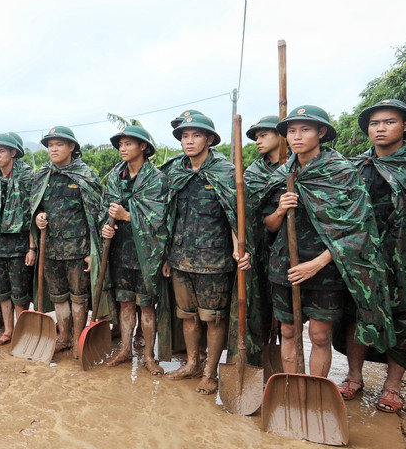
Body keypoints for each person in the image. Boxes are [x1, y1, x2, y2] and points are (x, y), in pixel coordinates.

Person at [260, 105, 392, 379]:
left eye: (305, 129)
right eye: (292, 131)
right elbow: (268, 226)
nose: (297, 136)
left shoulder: (342, 173)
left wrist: (316, 264)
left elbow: (359, 229)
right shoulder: (281, 175)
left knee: (319, 335)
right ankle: (292, 389)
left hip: (325, 267)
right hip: (285, 265)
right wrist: (281, 210)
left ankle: (315, 390)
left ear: (321, 132)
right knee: (287, 330)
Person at [339, 99, 406, 413]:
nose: (381, 128)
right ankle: (354, 377)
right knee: (359, 313)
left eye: (389, 122)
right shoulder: (357, 167)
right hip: (366, 258)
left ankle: (392, 387)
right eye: (375, 124)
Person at [162, 113, 251, 394]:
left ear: (210, 139)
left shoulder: (225, 172)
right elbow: (166, 216)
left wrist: (240, 248)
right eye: (185, 136)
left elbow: (235, 214)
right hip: (180, 258)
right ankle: (191, 363)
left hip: (215, 260)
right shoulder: (175, 170)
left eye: (196, 135)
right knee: (187, 315)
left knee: (212, 318)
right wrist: (165, 255)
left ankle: (210, 373)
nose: (189, 141)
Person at [30, 126, 105, 358]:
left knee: (79, 298)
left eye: (59, 144)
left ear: (71, 147)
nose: (53, 148)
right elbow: (36, 204)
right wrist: (40, 215)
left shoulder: (85, 174)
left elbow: (96, 215)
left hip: (77, 250)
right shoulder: (44, 174)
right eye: (50, 145)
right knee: (59, 297)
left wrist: (92, 252)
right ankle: (63, 337)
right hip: (50, 249)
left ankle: (77, 339)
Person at [100, 126, 168, 374]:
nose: (122, 148)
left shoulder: (156, 179)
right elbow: (103, 209)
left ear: (143, 147)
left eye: (128, 143)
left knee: (147, 305)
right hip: (120, 251)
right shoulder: (114, 177)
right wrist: (105, 228)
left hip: (146, 255)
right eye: (120, 144)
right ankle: (125, 350)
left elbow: (160, 219)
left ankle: (149, 356)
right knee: (125, 304)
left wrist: (128, 215)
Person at [0, 132, 36, 347]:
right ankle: (8, 331)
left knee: (20, 292)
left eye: (1, 151)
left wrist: (32, 247)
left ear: (13, 153)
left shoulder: (27, 178)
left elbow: (32, 213)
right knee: (2, 290)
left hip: (19, 244)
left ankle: (23, 333)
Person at [244, 115, 284, 349]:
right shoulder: (253, 172)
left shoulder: (300, 165)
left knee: (290, 314)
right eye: (256, 137)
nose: (258, 141)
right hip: (260, 248)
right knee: (259, 304)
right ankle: (262, 351)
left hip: (296, 249)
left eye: (264, 135)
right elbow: (246, 212)